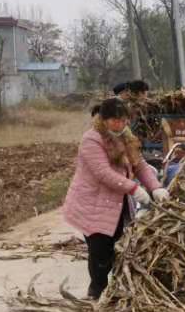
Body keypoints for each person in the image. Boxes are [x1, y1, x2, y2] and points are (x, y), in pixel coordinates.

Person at [62, 98, 168, 299]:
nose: (120, 124)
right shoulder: (92, 139)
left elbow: (140, 165)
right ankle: (96, 293)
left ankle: (114, 294)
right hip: (91, 204)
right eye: (115, 120)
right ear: (104, 119)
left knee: (117, 247)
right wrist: (134, 188)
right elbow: (103, 173)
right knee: (100, 252)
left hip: (115, 204)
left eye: (123, 120)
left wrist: (156, 188)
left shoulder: (126, 137)